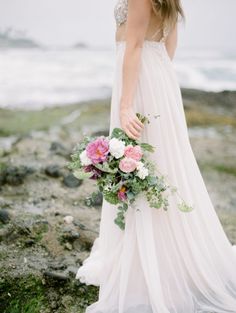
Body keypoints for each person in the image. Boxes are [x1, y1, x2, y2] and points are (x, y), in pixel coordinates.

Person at [76, 0, 236, 312]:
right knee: (161, 165)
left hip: (138, 78)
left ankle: (151, 260)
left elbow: (134, 44)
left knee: (144, 163)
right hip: (157, 75)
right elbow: (168, 44)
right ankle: (161, 251)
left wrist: (126, 103)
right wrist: (156, 81)